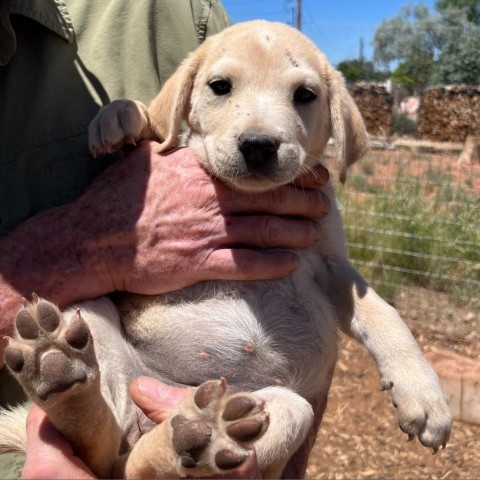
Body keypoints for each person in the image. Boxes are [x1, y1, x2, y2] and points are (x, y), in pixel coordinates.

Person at [0, 0, 331, 477]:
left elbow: (304, 281)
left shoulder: (172, 13)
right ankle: (99, 430)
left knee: (289, 410)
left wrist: (280, 468)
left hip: (208, 432)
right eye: (221, 87)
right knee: (83, 326)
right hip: (66, 433)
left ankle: (136, 449)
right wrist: (83, 248)